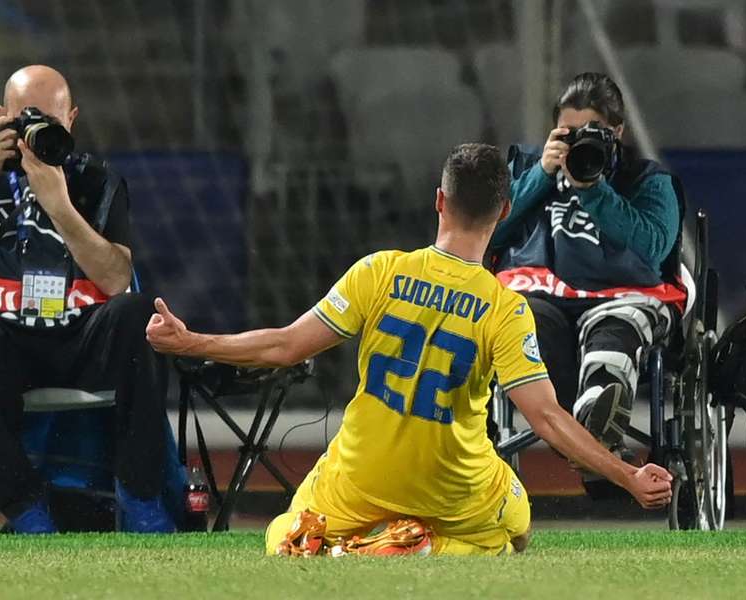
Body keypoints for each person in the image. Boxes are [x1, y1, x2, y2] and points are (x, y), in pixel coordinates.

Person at [146, 143, 672, 556]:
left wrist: (189, 340)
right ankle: (432, 547)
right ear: (506, 210)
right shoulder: (505, 308)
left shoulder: (378, 271)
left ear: (439, 200)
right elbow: (547, 419)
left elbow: (285, 346)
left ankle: (347, 541)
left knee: (289, 527)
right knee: (515, 528)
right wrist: (627, 475)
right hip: (453, 490)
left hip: (361, 478)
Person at [0, 65, 173, 533]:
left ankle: (140, 496)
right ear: (1, 117)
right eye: (23, 120)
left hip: (80, 335)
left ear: (71, 119)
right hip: (5, 344)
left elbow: (118, 279)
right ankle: (23, 505)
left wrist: (59, 204)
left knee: (140, 314)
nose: (35, 133)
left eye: (49, 122)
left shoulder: (96, 178)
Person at [490, 73, 685, 477]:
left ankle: (595, 412)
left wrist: (594, 189)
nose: (579, 142)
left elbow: (653, 247)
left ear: (617, 131)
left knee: (614, 330)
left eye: (591, 132)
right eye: (568, 132)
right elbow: (486, 230)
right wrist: (540, 176)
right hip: (541, 292)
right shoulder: (529, 170)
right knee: (526, 321)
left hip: (621, 295)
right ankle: (590, 437)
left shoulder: (648, 180)